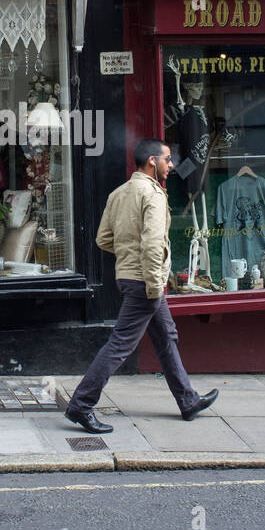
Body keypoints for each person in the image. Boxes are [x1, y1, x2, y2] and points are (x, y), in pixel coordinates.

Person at [65, 138, 218, 433]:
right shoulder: (153, 194)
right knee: (120, 344)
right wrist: (153, 284)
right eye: (167, 159)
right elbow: (152, 244)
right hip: (146, 281)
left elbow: (103, 239)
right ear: (151, 161)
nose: (171, 165)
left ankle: (188, 401)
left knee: (165, 336)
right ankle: (81, 405)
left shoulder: (119, 193)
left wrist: (129, 256)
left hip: (131, 276)